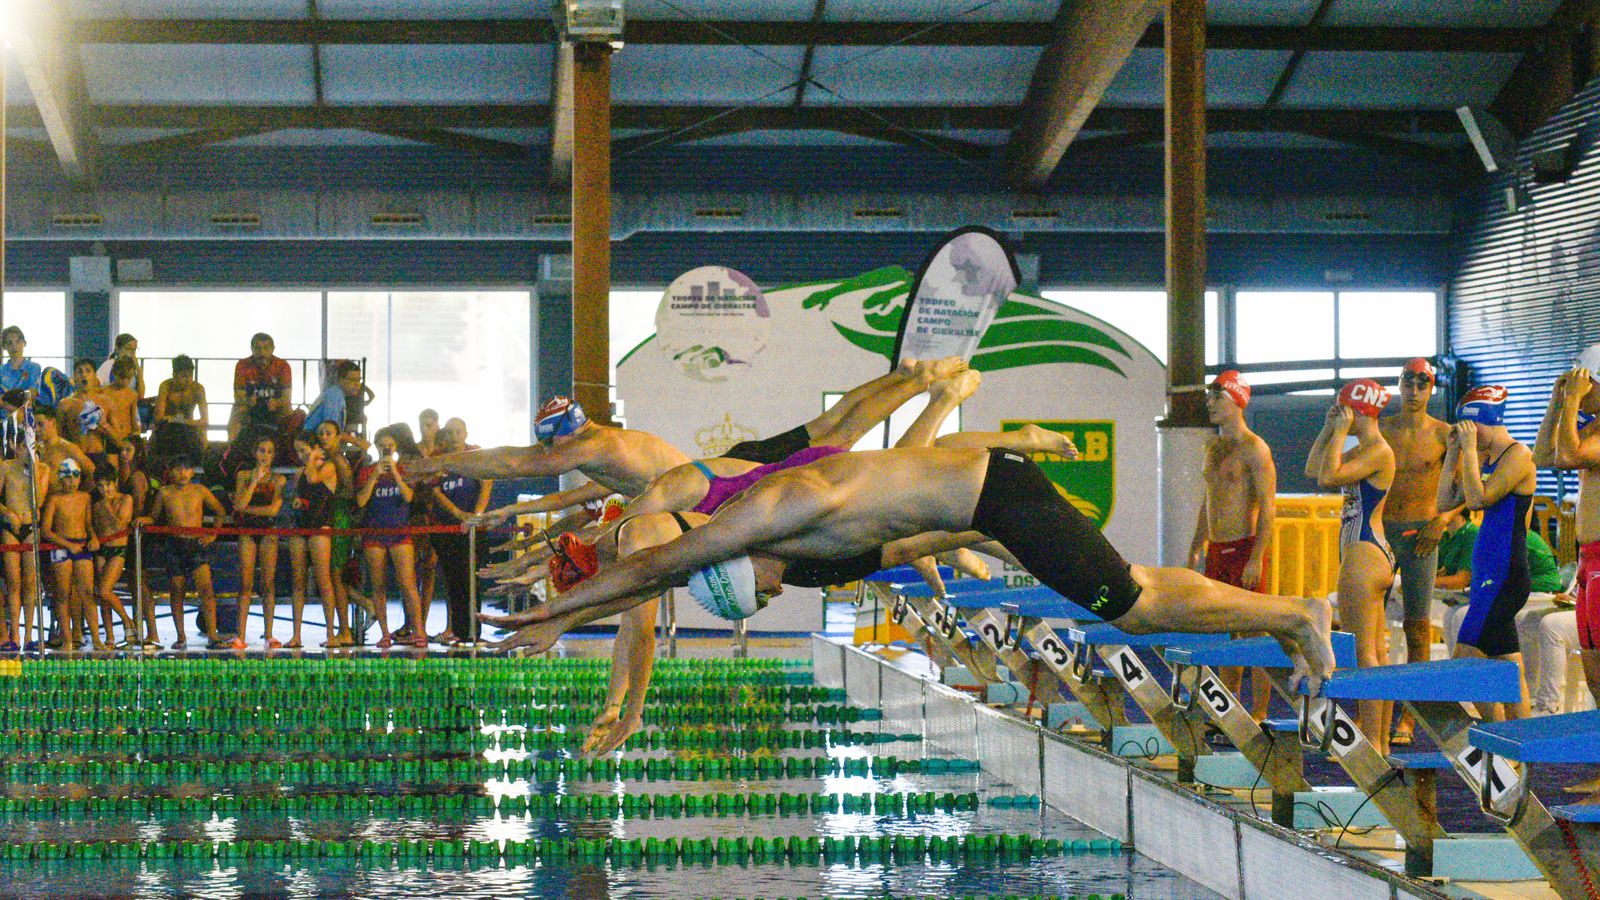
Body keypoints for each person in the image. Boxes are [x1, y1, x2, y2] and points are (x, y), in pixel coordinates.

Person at [482, 447, 1338, 718]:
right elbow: (905, 544)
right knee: (1134, 595)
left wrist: (556, 614)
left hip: (1000, 491)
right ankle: (1288, 619)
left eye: (761, 596)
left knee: (1137, 604)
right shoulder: (810, 556)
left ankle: (1298, 613)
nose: (777, 599)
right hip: (990, 509)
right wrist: (999, 547)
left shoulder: (775, 511)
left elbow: (658, 564)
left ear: (744, 569)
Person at [422, 358, 968, 538]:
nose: (545, 455)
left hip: (736, 473)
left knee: (838, 434)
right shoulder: (606, 452)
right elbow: (559, 496)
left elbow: (515, 462)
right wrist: (520, 512)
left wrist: (441, 461)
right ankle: (912, 378)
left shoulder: (586, 444)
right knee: (831, 426)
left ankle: (920, 384)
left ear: (561, 434)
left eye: (548, 444)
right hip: (730, 467)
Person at [1305, 378, 1397, 756]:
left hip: (1364, 553)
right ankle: (1382, 740)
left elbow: (1328, 477)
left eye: (1343, 409)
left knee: (1365, 653)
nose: (1338, 415)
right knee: (1376, 651)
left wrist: (1340, 431)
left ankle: (1373, 740)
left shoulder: (1378, 450)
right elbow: (1314, 468)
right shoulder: (1364, 449)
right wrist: (1330, 430)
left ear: (1360, 411)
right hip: (1367, 552)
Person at [1439, 386, 1536, 721]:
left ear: (1480, 422)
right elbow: (1443, 503)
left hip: (1505, 575)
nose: (1466, 434)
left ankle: (1498, 739)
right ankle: (1519, 750)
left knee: (1462, 663)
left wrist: (1467, 451)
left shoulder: (1518, 454)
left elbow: (1478, 500)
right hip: (1488, 574)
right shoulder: (1482, 457)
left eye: (1468, 427)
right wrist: (1454, 452)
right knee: (1510, 670)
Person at [1186, 370, 1276, 722]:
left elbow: (1269, 506)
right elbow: (1208, 502)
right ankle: (1229, 710)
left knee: (1254, 633)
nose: (1209, 403)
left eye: (1216, 397)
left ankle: (1260, 714)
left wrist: (1257, 557)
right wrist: (1197, 546)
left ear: (1237, 400)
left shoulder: (1256, 448)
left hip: (1243, 549)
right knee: (1223, 632)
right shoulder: (1213, 446)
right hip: (1216, 552)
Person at [1378, 358, 1457, 745]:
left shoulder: (1446, 435)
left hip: (1421, 535)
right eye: (1407, 384)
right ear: (1399, 386)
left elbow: (1467, 490)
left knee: (1417, 626)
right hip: (1381, 532)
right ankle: (1372, 715)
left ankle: (1408, 718)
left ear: (1431, 389)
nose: (1413, 392)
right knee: (1370, 626)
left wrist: (1441, 522)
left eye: (1420, 385)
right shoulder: (1381, 429)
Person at [1535, 344, 1600, 710]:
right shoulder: (1591, 426)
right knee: (1595, 678)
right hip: (1587, 562)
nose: (1581, 391)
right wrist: (1557, 402)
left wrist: (1572, 401)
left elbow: (1570, 455)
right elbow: (1545, 455)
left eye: (1585, 384)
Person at [144, 455, 228, 649]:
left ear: (192, 471)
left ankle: (213, 636)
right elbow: (154, 517)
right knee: (177, 592)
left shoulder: (200, 490)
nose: (182, 473)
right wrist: (142, 520)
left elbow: (220, 511)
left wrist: (213, 534)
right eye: (178, 469)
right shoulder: (164, 493)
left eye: (186, 468)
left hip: (196, 544)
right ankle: (181, 636)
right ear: (171, 471)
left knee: (206, 590)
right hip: (174, 545)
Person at [356, 426, 426, 649]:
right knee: (378, 586)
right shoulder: (367, 472)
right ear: (376, 447)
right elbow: (361, 501)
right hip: (375, 534)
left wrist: (394, 472)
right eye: (382, 446)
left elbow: (408, 497)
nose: (386, 449)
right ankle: (385, 632)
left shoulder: (404, 470)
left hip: (400, 533)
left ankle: (419, 630)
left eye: (390, 446)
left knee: (408, 584)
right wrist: (376, 474)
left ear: (395, 448)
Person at [428, 419, 492, 645]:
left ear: (466, 433)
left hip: (472, 531)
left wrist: (475, 515)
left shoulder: (474, 454)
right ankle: (456, 630)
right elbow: (435, 490)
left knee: (471, 582)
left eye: (458, 432)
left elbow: (486, 482)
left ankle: (473, 631)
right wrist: (457, 513)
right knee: (453, 581)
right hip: (448, 529)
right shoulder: (441, 458)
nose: (455, 436)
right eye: (451, 432)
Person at [286, 432, 338, 651]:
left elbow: (313, 479)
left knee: (323, 580)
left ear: (315, 449)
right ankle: (296, 634)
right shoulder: (299, 472)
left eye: (304, 450)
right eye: (298, 451)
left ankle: (330, 634)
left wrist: (312, 458)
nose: (300, 456)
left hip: (321, 527)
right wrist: (296, 501)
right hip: (302, 526)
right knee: (298, 581)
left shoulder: (328, 467)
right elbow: (298, 494)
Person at [40, 458, 97, 652]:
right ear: (60, 479)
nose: (72, 482)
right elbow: (46, 531)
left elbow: (88, 524)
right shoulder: (54, 499)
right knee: (62, 594)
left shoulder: (85, 498)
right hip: (61, 548)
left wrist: (93, 537)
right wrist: (67, 545)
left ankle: (96, 639)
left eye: (76, 477)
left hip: (81, 547)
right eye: (68, 478)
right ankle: (67, 639)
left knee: (87, 593)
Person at [233, 437, 285, 650]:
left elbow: (273, 511)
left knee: (268, 583)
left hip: (268, 532)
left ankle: (269, 633)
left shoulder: (279, 480)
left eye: (269, 451)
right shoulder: (244, 476)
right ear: (255, 453)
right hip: (248, 532)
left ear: (274, 455)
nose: (265, 455)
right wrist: (255, 481)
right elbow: (238, 504)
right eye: (262, 450)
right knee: (246, 584)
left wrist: (247, 510)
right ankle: (240, 635)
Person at [0, 406, 39, 652]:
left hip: (31, 528)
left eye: (30, 446)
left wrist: (33, 469)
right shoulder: (5, 466)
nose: (26, 450)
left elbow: (40, 502)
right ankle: (14, 632)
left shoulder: (39, 469)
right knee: (14, 583)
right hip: (11, 528)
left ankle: (28, 635)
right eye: (23, 446)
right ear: (16, 447)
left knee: (30, 584)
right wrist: (7, 513)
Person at [90, 466, 135, 648]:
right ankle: (109, 637)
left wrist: (107, 505)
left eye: (108, 485)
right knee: (103, 597)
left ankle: (127, 621)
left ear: (115, 483)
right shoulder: (96, 505)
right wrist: (93, 536)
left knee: (104, 590)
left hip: (118, 550)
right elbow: (91, 525)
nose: (105, 490)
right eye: (101, 486)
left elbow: (120, 524)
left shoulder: (126, 499)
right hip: (102, 550)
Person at [231, 333, 294, 441]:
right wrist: (248, 401)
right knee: (236, 416)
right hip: (250, 406)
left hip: (275, 407)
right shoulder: (242, 365)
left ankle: (288, 450)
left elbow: (287, 397)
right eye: (258, 348)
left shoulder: (283, 366)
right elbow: (238, 396)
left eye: (266, 348)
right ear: (252, 349)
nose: (262, 353)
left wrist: (277, 403)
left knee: (289, 413)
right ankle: (232, 452)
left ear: (273, 349)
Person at [152, 355, 209, 467]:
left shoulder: (198, 389)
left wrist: (182, 421)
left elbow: (205, 420)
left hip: (189, 428)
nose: (188, 380)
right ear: (174, 376)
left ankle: (204, 465)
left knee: (202, 434)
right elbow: (158, 417)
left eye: (190, 376)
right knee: (154, 439)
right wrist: (174, 420)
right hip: (169, 429)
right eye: (183, 376)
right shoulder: (166, 386)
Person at [304, 360, 362, 435]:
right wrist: (357, 441)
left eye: (358, 380)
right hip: (313, 440)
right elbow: (329, 431)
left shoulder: (337, 393)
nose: (357, 384)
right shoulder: (334, 396)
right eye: (352, 380)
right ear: (341, 379)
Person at [99, 358, 142, 446]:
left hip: (128, 436)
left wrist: (136, 434)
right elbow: (102, 421)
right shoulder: (104, 393)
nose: (125, 381)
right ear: (114, 373)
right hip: (109, 439)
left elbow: (133, 418)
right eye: (122, 377)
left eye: (129, 378)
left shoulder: (132, 394)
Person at [96, 334, 145, 401]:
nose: (132, 352)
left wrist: (139, 372)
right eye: (128, 348)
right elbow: (95, 387)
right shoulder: (109, 365)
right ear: (118, 348)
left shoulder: (136, 369)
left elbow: (141, 396)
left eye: (134, 349)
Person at [0, 327, 43, 401]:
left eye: (18, 341)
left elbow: (32, 393)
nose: (14, 346)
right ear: (4, 346)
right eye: (10, 343)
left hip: (26, 410)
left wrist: (8, 399)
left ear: (24, 343)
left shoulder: (34, 367)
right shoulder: (1, 371)